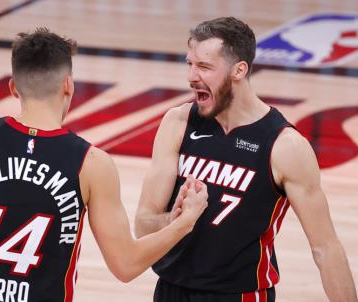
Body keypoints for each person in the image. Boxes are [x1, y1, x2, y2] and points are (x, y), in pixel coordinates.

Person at [0, 28, 208, 302]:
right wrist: (183, 224)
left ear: (13, 87)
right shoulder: (91, 164)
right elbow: (126, 265)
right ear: (68, 85)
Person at [135, 17, 357, 302]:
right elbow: (143, 224)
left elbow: (325, 248)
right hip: (171, 290)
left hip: (240, 295)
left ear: (239, 70)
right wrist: (175, 219)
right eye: (189, 63)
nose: (191, 76)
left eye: (204, 66)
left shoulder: (284, 146)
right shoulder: (177, 122)